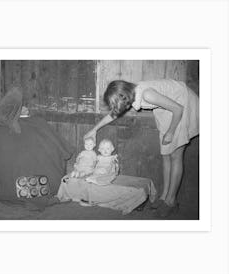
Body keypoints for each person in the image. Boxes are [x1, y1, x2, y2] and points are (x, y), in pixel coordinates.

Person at [84, 79, 199, 218]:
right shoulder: (131, 94)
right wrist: (94, 130)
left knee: (175, 155)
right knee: (166, 155)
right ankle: (164, 197)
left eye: (116, 103)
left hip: (182, 104)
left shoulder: (147, 94)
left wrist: (171, 131)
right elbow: (114, 114)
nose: (116, 107)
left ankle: (171, 201)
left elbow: (178, 108)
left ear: (123, 95)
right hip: (167, 110)